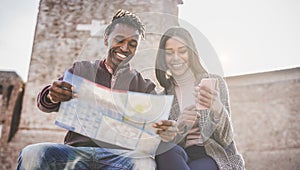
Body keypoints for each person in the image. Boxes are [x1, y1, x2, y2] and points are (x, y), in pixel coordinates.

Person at [17, 9, 157, 170]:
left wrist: (163, 126)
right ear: (106, 39)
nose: (125, 48)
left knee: (146, 164)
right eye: (119, 40)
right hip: (76, 151)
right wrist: (52, 96)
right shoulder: (81, 69)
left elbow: (157, 120)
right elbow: (45, 102)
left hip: (118, 157)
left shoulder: (144, 86)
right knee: (32, 153)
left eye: (132, 44)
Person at [152, 26, 245, 170]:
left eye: (182, 51)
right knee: (164, 149)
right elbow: (161, 143)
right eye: (169, 53)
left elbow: (226, 139)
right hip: (180, 154)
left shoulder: (214, 83)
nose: (176, 58)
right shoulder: (163, 97)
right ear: (163, 58)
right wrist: (179, 125)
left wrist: (218, 109)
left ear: (191, 53)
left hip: (212, 154)